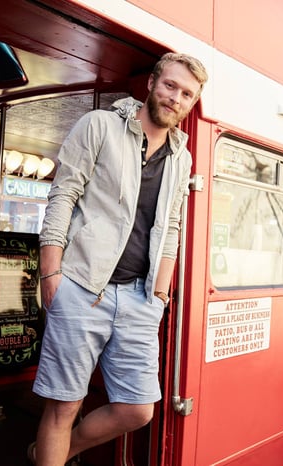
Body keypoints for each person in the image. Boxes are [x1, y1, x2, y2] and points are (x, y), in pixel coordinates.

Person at [29, 52, 208, 465]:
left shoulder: (182, 159)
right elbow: (62, 196)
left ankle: (51, 455)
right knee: (63, 406)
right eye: (169, 86)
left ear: (191, 102)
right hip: (80, 286)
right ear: (151, 83)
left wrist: (160, 294)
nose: (175, 98)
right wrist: (51, 273)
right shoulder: (99, 126)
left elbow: (172, 227)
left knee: (137, 409)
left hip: (139, 299)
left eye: (186, 93)